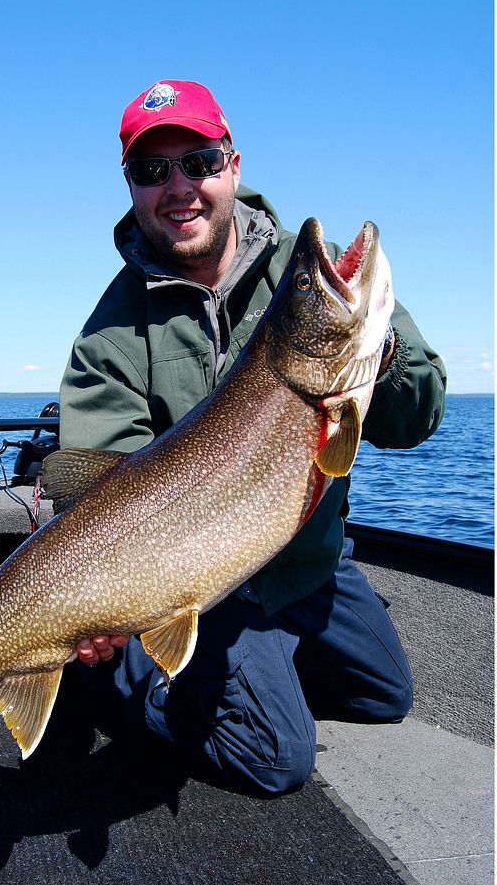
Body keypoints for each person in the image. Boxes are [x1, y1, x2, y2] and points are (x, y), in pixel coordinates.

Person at [57, 79, 447, 796]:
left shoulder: (307, 275)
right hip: (203, 583)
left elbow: (417, 419)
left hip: (305, 566)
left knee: (384, 695)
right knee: (276, 757)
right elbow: (94, 494)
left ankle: (259, 667)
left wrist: (381, 354)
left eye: (199, 162)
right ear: (132, 187)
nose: (179, 186)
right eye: (152, 170)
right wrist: (106, 606)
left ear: (232, 166)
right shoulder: (106, 338)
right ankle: (118, 683)